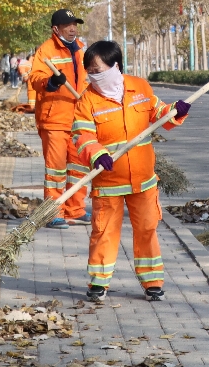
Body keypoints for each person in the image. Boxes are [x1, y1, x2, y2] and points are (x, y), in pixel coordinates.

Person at [71, 40, 190, 303]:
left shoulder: (140, 87)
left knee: (147, 229)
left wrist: (175, 111)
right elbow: (82, 136)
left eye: (98, 70)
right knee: (104, 232)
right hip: (108, 181)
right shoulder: (87, 100)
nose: (94, 76)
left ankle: (153, 283)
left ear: (116, 66)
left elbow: (158, 113)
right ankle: (98, 283)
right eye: (90, 72)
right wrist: (97, 153)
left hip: (143, 180)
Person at [29, 10, 91, 229]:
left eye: (75, 24)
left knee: (78, 167)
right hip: (54, 119)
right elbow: (35, 78)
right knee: (56, 169)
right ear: (56, 29)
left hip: (79, 118)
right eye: (68, 25)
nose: (73, 29)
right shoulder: (46, 50)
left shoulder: (81, 49)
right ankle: (53, 213)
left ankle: (76, 209)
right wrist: (51, 82)